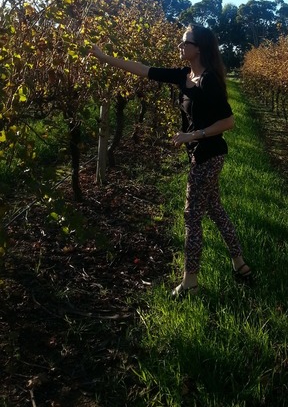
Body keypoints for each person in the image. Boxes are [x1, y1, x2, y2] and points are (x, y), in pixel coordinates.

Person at [91, 24, 251, 299]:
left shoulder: (210, 80)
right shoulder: (183, 76)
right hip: (199, 155)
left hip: (209, 155)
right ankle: (240, 264)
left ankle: (190, 281)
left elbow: (229, 121)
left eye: (184, 42)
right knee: (214, 209)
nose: (180, 45)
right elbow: (144, 69)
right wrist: (105, 58)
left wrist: (194, 134)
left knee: (192, 217)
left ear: (198, 48)